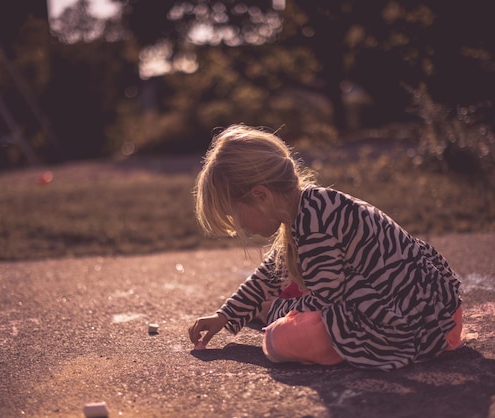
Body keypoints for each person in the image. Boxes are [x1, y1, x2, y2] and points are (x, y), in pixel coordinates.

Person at [188, 124, 463, 371]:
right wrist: (225, 315)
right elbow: (269, 274)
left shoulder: (313, 224)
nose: (240, 228)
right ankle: (266, 310)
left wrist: (275, 310)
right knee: (289, 284)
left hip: (413, 322)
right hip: (434, 310)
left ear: (261, 195)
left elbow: (326, 302)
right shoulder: (306, 207)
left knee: (279, 340)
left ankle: (272, 315)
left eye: (236, 216)